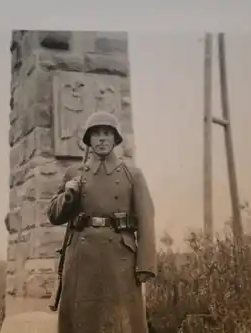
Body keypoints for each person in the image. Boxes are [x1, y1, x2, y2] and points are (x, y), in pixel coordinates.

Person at [47, 111, 157, 333]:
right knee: (82, 320)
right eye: (96, 134)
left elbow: (146, 219)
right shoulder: (74, 173)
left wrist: (145, 264)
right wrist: (69, 196)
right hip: (81, 258)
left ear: (116, 139)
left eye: (107, 133)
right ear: (89, 140)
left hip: (119, 258)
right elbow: (54, 215)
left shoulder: (132, 174)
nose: (102, 139)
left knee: (120, 321)